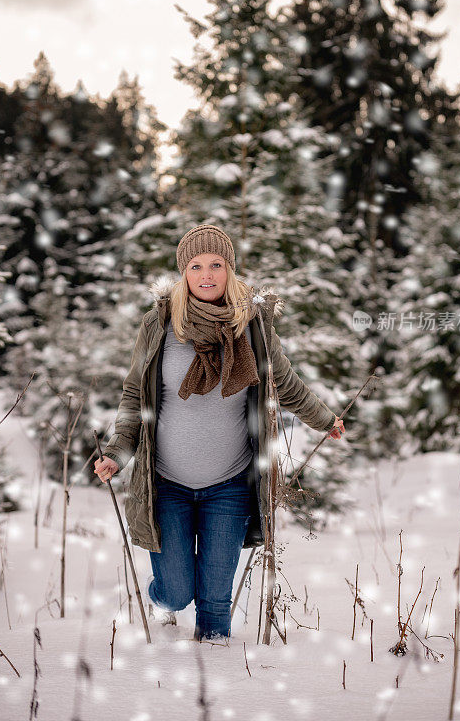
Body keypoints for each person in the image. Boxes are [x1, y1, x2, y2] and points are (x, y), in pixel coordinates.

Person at [94, 223, 345, 642]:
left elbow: (285, 383)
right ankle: (166, 604)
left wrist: (325, 419)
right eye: (196, 266)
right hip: (167, 483)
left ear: (230, 269)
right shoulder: (160, 325)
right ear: (183, 272)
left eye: (216, 264)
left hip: (229, 484)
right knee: (176, 592)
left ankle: (219, 685)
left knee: (214, 600)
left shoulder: (253, 326)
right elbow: (134, 396)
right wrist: (118, 453)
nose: (206, 275)